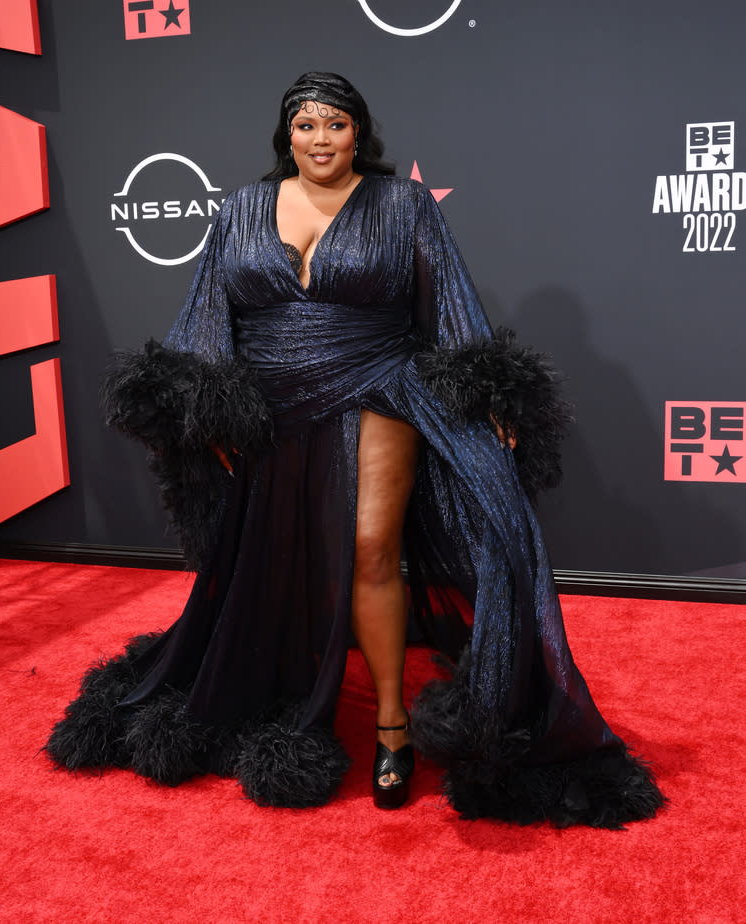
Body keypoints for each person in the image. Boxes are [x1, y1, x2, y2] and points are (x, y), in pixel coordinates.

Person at [46, 72, 664, 826]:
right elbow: (209, 309)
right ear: (287, 135)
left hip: (379, 383)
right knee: (276, 561)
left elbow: (452, 303)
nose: (319, 139)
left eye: (334, 124)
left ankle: (392, 728)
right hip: (271, 406)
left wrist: (491, 393)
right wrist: (207, 408)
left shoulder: (401, 206)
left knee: (372, 546)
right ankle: (277, 685)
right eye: (305, 125)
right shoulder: (242, 206)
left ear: (358, 133)